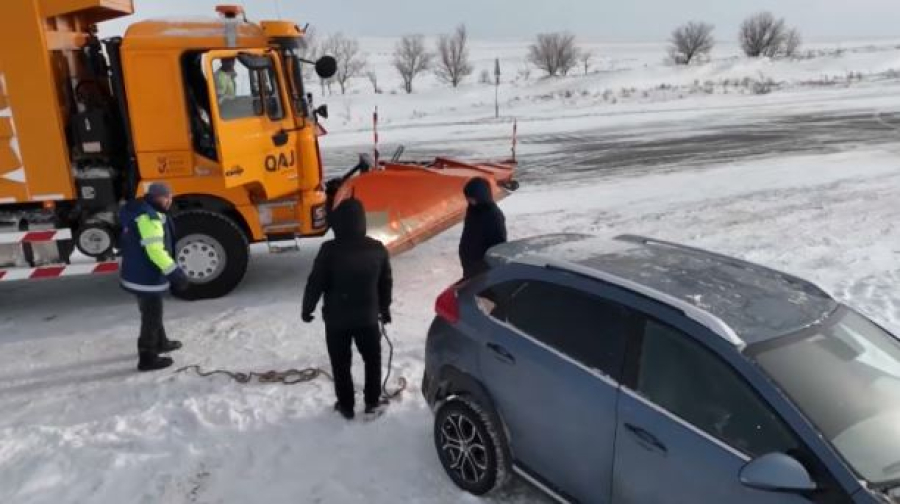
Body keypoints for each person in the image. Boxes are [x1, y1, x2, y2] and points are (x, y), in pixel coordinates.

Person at [302, 198, 393, 420]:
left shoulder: (329, 250)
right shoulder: (377, 248)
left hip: (337, 320)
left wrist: (307, 308)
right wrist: (384, 309)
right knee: (372, 361)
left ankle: (346, 405)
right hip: (368, 318)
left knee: (340, 364)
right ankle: (372, 402)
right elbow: (386, 283)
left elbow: (315, 282)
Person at [119, 183, 190, 372]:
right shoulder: (149, 218)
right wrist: (176, 274)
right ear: (157, 197)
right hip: (145, 276)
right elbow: (155, 251)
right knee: (151, 315)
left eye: (170, 197)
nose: (169, 201)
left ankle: (161, 342)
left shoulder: (143, 209)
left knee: (151, 310)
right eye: (167, 197)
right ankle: (147, 357)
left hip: (138, 271)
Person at [459, 177, 508, 279]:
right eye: (468, 198)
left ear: (481, 196)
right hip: (470, 263)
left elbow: (499, 244)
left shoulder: (494, 216)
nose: (469, 201)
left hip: (483, 266)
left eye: (472, 198)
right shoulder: (473, 209)